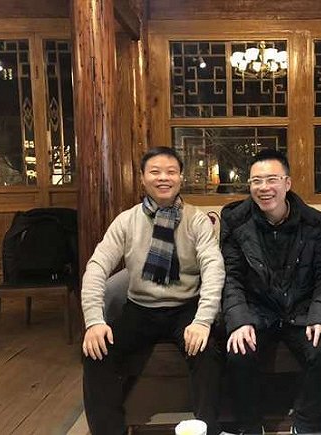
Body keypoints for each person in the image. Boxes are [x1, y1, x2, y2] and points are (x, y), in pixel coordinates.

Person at [81, 147, 225, 435]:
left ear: (181, 178)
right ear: (142, 178)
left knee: (208, 351)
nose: (163, 178)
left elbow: (213, 267)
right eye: (155, 172)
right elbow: (97, 266)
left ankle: (207, 429)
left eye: (171, 172)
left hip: (185, 308)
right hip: (140, 309)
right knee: (96, 352)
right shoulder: (127, 220)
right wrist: (94, 321)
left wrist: (203, 320)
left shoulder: (196, 220)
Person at [220, 149, 321, 434]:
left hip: (301, 310)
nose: (264, 187)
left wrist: (320, 317)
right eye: (256, 181)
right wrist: (239, 321)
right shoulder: (236, 221)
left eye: (272, 179)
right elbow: (231, 277)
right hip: (257, 310)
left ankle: (305, 423)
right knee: (238, 351)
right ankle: (251, 427)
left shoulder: (314, 222)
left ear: (287, 183)